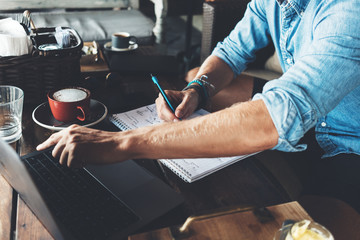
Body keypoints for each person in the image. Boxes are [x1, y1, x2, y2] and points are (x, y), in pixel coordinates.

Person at [37, 0, 360, 211]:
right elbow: (232, 51)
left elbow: (277, 115)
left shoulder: (350, 13)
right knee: (195, 75)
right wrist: (197, 90)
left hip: (349, 140)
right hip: (308, 105)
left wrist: (121, 143)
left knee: (309, 228)